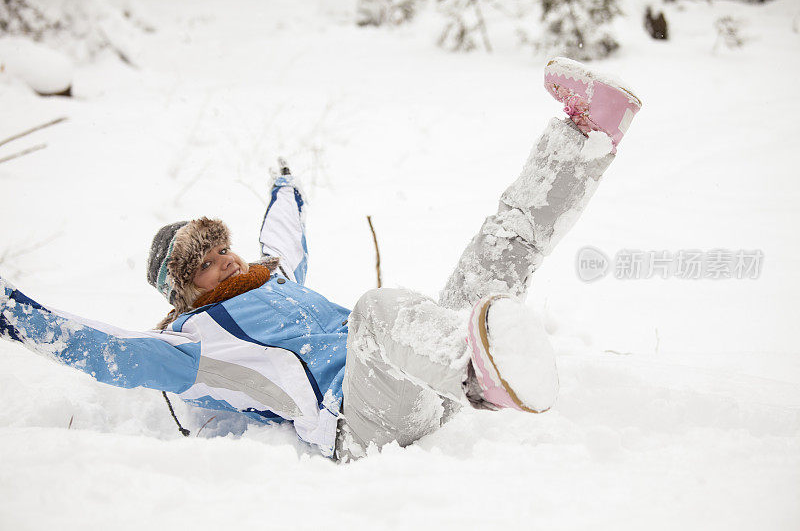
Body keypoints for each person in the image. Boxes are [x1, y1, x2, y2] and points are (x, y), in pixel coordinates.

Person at [0, 57, 642, 461]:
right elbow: (107, 350)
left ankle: (586, 137)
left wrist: (287, 184)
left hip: (419, 380)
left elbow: (285, 237)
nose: (224, 260)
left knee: (489, 254)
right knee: (376, 308)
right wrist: (12, 312)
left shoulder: (271, 278)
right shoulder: (195, 341)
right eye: (204, 260)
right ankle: (482, 373)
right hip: (359, 421)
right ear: (182, 289)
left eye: (221, 246)